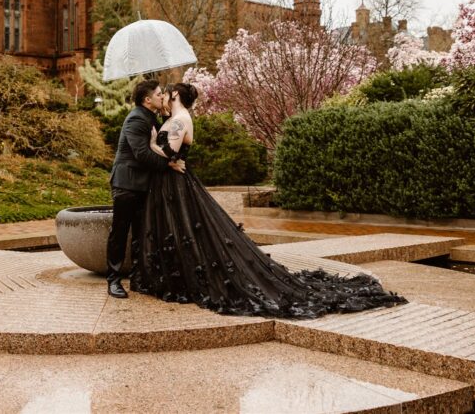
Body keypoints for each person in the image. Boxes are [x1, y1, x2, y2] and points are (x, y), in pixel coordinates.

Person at [131, 82, 406, 318]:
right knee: (179, 232)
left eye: (167, 93)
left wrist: (154, 142)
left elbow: (168, 152)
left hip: (176, 185)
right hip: (169, 183)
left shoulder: (180, 120)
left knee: (189, 231)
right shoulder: (175, 118)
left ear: (176, 96)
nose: (164, 96)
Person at [106, 79, 185, 299]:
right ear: (147, 99)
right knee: (120, 233)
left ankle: (138, 277)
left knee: (141, 233)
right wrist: (169, 165)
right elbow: (141, 154)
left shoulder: (151, 117)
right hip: (126, 184)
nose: (163, 96)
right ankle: (113, 281)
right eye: (160, 94)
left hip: (143, 185)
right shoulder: (135, 119)